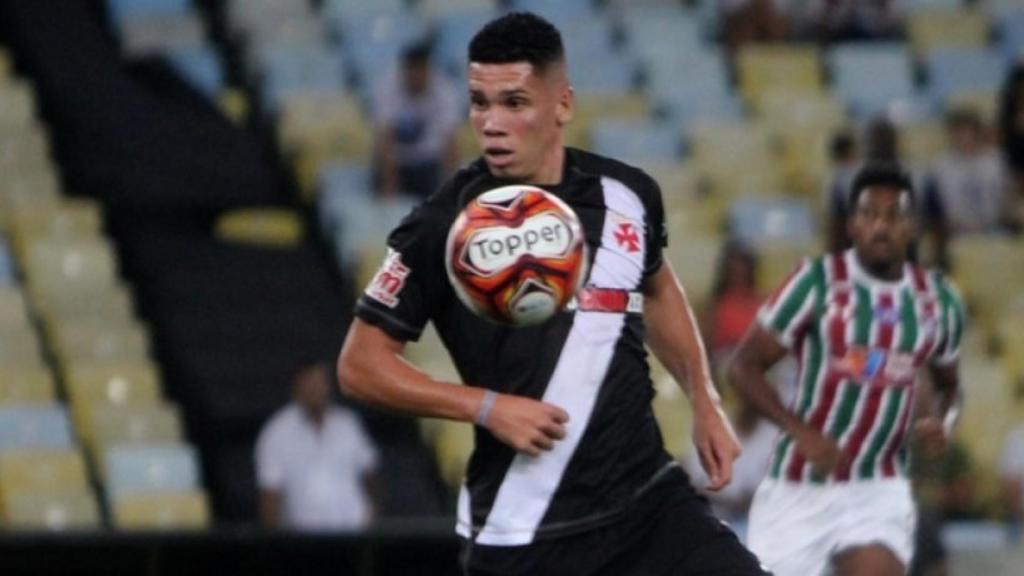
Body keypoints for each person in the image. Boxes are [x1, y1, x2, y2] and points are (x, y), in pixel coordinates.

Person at [338, 12, 768, 576]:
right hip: (526, 530)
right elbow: (360, 364)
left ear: (562, 104)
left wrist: (703, 398)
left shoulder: (626, 195)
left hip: (649, 504)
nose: (491, 123)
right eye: (479, 102)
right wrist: (487, 408)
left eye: (514, 103)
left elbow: (658, 286)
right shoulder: (443, 226)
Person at [728, 162, 966, 576]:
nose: (881, 227)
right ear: (852, 225)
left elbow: (950, 385)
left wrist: (942, 419)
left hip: (878, 483)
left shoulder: (938, 301)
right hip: (801, 485)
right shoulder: (816, 282)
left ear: (912, 227)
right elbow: (742, 367)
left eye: (894, 216)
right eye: (869, 214)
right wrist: (800, 432)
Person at [255, 363, 378, 531]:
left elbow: (369, 474)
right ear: (296, 388)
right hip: (304, 540)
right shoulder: (277, 432)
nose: (315, 390)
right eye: (309, 384)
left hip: (353, 534)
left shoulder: (348, 424)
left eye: (319, 383)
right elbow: (270, 494)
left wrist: (372, 518)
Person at [372, 40, 460, 200]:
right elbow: (386, 138)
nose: (417, 77)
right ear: (405, 71)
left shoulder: (445, 90)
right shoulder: (386, 88)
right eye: (412, 72)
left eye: (421, 71)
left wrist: (452, 189)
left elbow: (449, 141)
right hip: (395, 161)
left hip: (426, 163)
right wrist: (389, 188)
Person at [927, 108, 1010, 236]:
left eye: (969, 131)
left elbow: (1006, 199)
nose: (964, 137)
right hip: (956, 232)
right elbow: (939, 211)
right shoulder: (940, 167)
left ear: (978, 133)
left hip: (995, 229)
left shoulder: (996, 161)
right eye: (959, 132)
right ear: (951, 135)